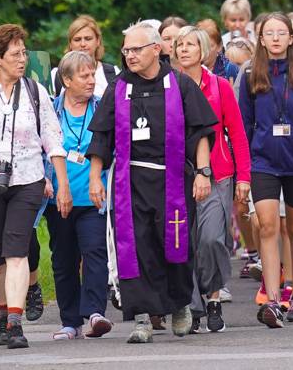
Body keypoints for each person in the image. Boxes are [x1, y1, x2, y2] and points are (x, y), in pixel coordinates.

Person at [85, 21, 217, 343]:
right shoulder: (118, 87)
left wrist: (203, 173)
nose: (130, 55)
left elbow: (200, 131)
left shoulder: (179, 84)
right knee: (136, 247)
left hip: (173, 180)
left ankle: (180, 305)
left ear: (156, 49)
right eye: (126, 50)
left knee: (175, 244)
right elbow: (101, 136)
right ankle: (142, 318)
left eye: (136, 49)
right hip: (130, 181)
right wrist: (95, 178)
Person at [0, 24, 70, 349]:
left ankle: (16, 323)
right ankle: (3, 312)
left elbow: (52, 138)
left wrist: (61, 182)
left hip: (28, 179)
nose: (22, 60)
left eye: (24, 53)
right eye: (15, 54)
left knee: (17, 251)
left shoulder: (35, 91)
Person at [239, 12, 293, 328]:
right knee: (268, 226)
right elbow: (244, 122)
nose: (275, 38)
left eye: (281, 33)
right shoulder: (250, 73)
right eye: (269, 33)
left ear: (291, 37)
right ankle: (272, 299)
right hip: (263, 162)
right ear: (260, 39)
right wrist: (244, 166)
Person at [173, 26, 251, 333]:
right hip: (179, 174)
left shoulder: (219, 86)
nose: (183, 49)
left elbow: (238, 134)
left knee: (211, 239)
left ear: (204, 50)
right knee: (185, 242)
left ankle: (214, 297)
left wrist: (244, 178)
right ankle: (193, 307)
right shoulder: (169, 86)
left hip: (218, 173)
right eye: (179, 45)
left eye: (190, 44)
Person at [46, 51, 113, 340]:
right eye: (84, 76)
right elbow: (40, 148)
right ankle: (70, 322)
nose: (91, 81)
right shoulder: (50, 111)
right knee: (64, 259)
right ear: (67, 80)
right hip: (58, 199)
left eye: (92, 75)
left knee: (95, 251)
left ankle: (95, 313)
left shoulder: (101, 108)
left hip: (93, 197)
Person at [52, 15, 120, 98]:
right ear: (70, 44)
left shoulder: (113, 73)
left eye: (88, 39)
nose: (83, 44)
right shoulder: (56, 75)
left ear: (98, 41)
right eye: (77, 40)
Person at [195, 19, 240, 84]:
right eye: (200, 45)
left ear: (219, 46)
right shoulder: (189, 68)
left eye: (209, 46)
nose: (204, 50)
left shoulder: (230, 69)